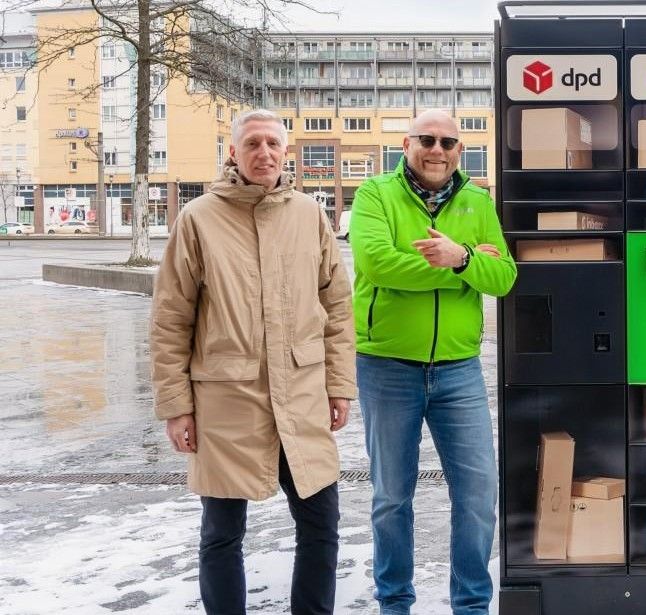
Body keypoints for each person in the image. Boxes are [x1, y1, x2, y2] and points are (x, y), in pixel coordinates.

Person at [151, 108, 355, 614]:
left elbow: (337, 305)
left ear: (286, 153)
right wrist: (177, 407)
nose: (263, 153)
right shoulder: (198, 219)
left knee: (321, 525)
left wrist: (339, 385)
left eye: (272, 144)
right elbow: (171, 319)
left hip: (303, 397)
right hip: (226, 401)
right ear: (233, 154)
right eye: (253, 144)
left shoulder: (309, 214)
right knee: (222, 533)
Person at [350, 109, 516, 615]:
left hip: (458, 370)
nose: (437, 150)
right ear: (407, 143)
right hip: (387, 367)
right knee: (391, 498)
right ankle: (394, 603)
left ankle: (471, 606)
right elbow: (377, 263)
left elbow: (504, 276)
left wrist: (463, 257)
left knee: (477, 495)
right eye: (427, 139)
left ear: (459, 150)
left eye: (447, 142)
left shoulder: (478, 201)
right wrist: (462, 265)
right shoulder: (374, 194)